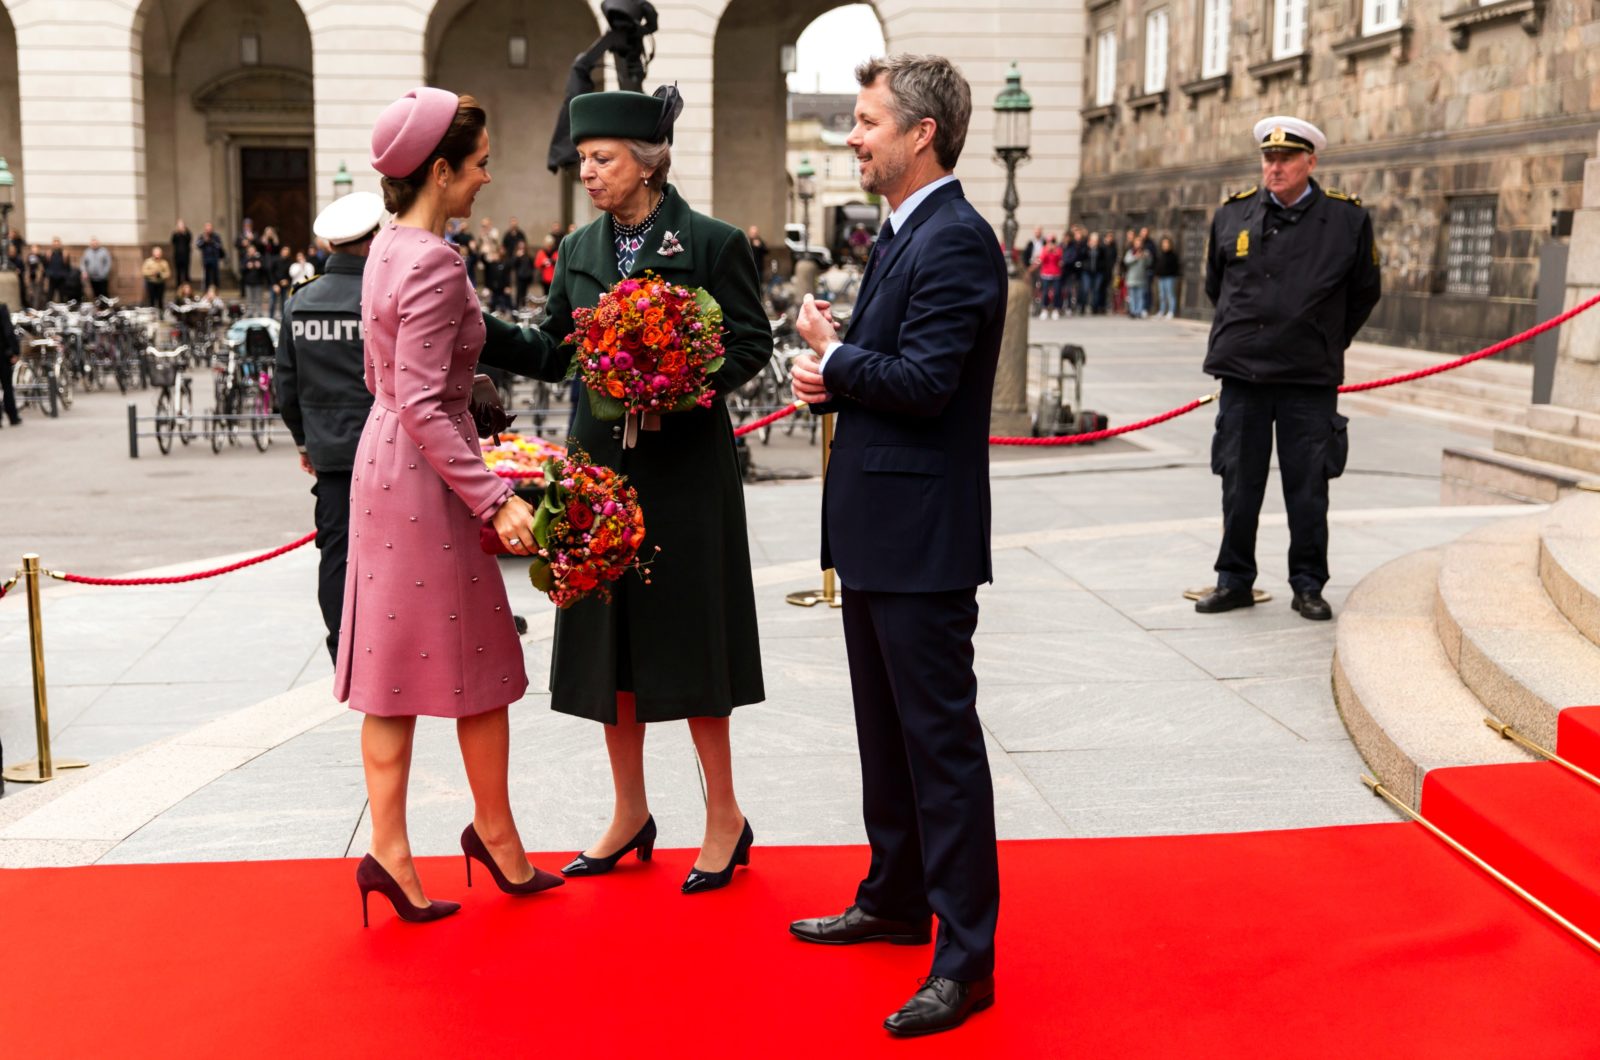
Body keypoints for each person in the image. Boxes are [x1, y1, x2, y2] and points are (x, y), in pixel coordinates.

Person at [477, 85, 769, 896]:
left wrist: (685, 381)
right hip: (599, 467)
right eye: (584, 160)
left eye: (602, 159)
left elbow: (749, 341)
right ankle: (630, 811)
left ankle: (725, 817)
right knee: (614, 647)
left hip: (684, 472)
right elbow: (552, 347)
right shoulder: (578, 247)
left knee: (694, 641)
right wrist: (472, 322)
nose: (590, 173)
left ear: (647, 163)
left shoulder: (709, 243)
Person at [788, 53, 1003, 1038]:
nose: (854, 136)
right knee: (887, 736)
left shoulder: (956, 239)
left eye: (868, 120)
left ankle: (964, 959)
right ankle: (893, 896)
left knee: (940, 747)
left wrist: (836, 358)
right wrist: (838, 372)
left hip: (921, 538)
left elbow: (924, 382)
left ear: (922, 131)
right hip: (882, 530)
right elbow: (901, 373)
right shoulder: (906, 232)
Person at [340, 87, 563, 926]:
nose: (487, 176)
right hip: (428, 479)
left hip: (384, 461)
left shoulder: (386, 247)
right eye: (477, 165)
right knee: (482, 668)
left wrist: (462, 402)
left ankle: (396, 854)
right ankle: (493, 835)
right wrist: (496, 496)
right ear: (439, 170)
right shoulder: (433, 259)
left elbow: (387, 384)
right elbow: (429, 405)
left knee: (391, 676)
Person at [1194, 115, 1381, 623]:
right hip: (1243, 372)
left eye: (1286, 159)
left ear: (1310, 162)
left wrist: (1324, 337)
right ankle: (1234, 579)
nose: (1274, 168)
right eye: (1268, 158)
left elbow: (1365, 291)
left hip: (1307, 376)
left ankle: (1307, 583)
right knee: (1238, 482)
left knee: (1308, 487)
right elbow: (1216, 284)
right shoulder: (1233, 214)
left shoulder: (1346, 220)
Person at [276, 191, 384, 664]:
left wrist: (304, 442)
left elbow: (286, 383)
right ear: (370, 241)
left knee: (336, 550)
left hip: (330, 452)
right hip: (385, 447)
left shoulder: (301, 302)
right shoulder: (381, 296)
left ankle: (343, 643)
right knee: (394, 546)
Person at [0, 302, 21, 428]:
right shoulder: (1, 309)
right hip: (2, 355)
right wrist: (15, 351)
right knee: (7, 386)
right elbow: (8, 332)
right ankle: (12, 416)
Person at [1123, 235, 1150, 318]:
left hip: (1141, 278)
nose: (1138, 244)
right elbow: (1126, 261)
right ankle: (1133, 311)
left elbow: (1149, 263)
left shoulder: (1145, 252)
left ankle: (1139, 311)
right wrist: (1135, 257)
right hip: (1131, 278)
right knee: (1132, 296)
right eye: (1136, 243)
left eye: (1139, 243)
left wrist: (1145, 257)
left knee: (1140, 296)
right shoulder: (1130, 252)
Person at [1154, 235, 1181, 318]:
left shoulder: (1173, 255)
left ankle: (1171, 311)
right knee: (1162, 295)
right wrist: (1157, 273)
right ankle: (1162, 311)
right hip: (1161, 277)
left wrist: (1173, 274)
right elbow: (1158, 265)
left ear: (1170, 244)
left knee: (1170, 295)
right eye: (1164, 244)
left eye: (1167, 243)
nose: (1165, 245)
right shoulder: (1161, 254)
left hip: (1170, 277)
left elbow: (1176, 267)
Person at [1038, 234, 1062, 319]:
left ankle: (1056, 309)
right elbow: (1041, 259)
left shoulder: (1058, 250)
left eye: (1053, 242)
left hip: (1056, 274)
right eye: (1050, 242)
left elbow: (1060, 260)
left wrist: (1054, 252)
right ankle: (1044, 309)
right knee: (1045, 292)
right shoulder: (1044, 249)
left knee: (1057, 292)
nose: (1051, 244)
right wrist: (1047, 251)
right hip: (1045, 274)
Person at [239, 245, 267, 315]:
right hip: (248, 282)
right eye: (250, 250)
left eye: (253, 250)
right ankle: (250, 313)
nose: (251, 252)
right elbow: (241, 270)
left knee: (258, 299)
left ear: (255, 251)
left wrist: (260, 266)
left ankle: (259, 312)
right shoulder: (245, 259)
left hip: (258, 282)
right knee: (249, 299)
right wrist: (246, 267)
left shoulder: (260, 258)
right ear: (248, 251)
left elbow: (265, 270)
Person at [197, 223, 225, 293]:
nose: (208, 229)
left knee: (215, 276)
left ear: (212, 228)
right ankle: (206, 291)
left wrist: (211, 241)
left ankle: (216, 291)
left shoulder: (216, 236)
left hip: (214, 259)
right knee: (207, 277)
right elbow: (198, 245)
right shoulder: (202, 236)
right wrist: (204, 241)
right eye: (207, 228)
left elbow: (219, 246)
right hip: (206, 259)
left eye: (209, 227)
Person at [268, 245, 295, 318]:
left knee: (284, 303)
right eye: (284, 251)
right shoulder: (275, 260)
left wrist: (287, 281)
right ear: (281, 251)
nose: (285, 253)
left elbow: (291, 274)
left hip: (284, 285)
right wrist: (274, 284)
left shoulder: (290, 262)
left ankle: (283, 318)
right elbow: (271, 272)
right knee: (272, 302)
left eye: (287, 252)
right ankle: (271, 317)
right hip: (275, 284)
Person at [44, 238, 71, 302]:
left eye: (57, 244)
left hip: (62, 279)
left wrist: (64, 274)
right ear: (52, 245)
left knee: (62, 297)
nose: (56, 245)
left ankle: (63, 310)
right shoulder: (49, 254)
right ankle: (49, 310)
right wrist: (49, 273)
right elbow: (45, 266)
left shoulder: (64, 254)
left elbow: (68, 267)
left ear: (60, 244)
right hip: (52, 278)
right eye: (54, 244)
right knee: (49, 297)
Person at [509, 239, 534, 306]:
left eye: (523, 246)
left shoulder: (528, 255)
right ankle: (516, 306)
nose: (522, 247)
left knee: (525, 292)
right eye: (520, 246)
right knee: (518, 292)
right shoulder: (516, 254)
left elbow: (532, 265)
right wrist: (517, 257)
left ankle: (523, 306)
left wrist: (531, 273)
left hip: (527, 276)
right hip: (519, 276)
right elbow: (512, 265)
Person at [171, 220, 192, 284]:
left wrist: (184, 233)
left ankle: (187, 287)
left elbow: (189, 240)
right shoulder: (175, 234)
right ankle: (178, 288)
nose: (180, 227)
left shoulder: (187, 233)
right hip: (177, 256)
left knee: (186, 272)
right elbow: (172, 241)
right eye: (179, 225)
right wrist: (177, 233)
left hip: (185, 256)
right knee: (178, 273)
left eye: (181, 225)